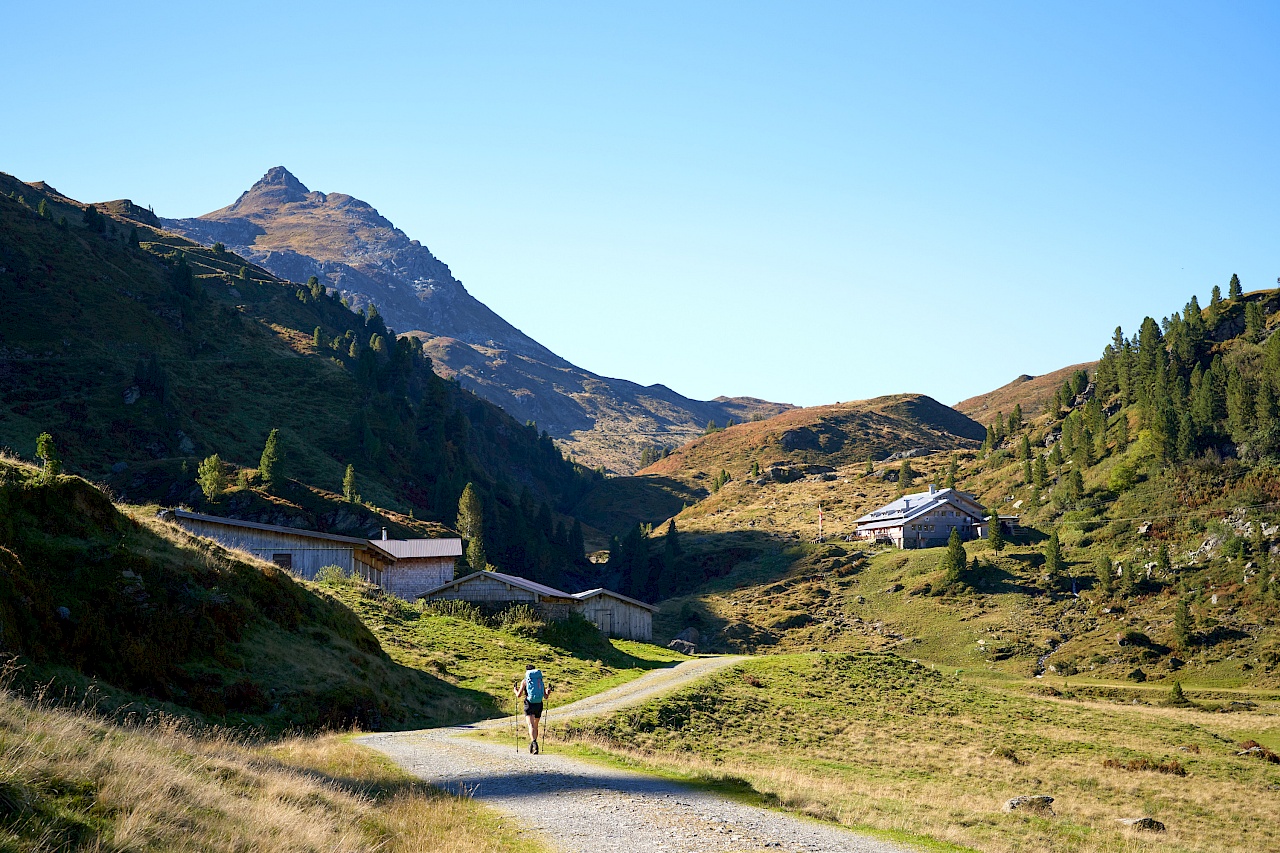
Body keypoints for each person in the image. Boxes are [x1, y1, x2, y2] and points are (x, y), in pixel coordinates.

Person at [514, 664, 550, 754]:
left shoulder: (525, 681)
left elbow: (519, 695)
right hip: (539, 704)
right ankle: (533, 743)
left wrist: (515, 690)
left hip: (529, 704)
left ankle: (534, 742)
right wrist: (548, 691)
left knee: (531, 725)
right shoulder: (539, 681)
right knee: (536, 725)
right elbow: (545, 696)